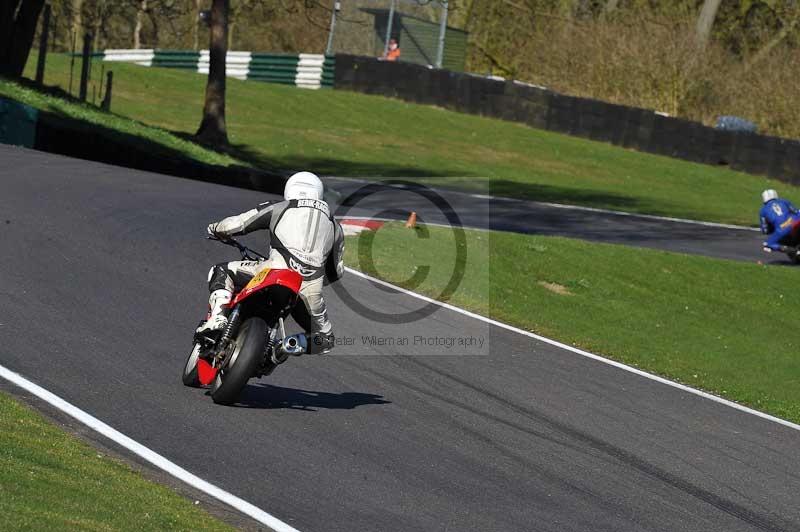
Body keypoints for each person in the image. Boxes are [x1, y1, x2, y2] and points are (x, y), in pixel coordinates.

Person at [198, 171, 344, 354]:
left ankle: (218, 319)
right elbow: (336, 271)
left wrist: (215, 229)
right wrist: (312, 278)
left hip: (273, 270)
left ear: (290, 189)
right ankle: (285, 347)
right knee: (324, 340)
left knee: (220, 270)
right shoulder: (335, 226)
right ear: (319, 194)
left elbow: (238, 224)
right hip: (309, 290)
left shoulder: (280, 207)